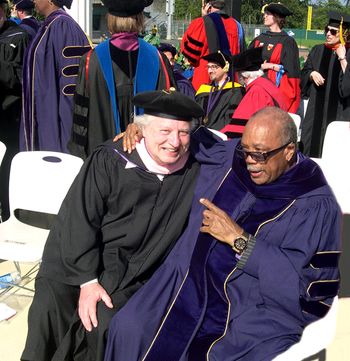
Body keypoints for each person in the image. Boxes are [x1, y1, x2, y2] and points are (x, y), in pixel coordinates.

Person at [104, 107, 341, 361]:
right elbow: (188, 141)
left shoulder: (315, 206)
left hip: (247, 308)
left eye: (259, 155)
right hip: (185, 282)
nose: (249, 161)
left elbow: (309, 292)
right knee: (128, 328)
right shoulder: (232, 158)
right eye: (246, 150)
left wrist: (241, 240)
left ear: (289, 151)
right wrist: (146, 129)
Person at [21, 89, 204, 361]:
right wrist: (87, 280)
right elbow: (79, 218)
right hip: (80, 257)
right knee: (49, 306)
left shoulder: (195, 169)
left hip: (140, 269)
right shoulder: (111, 160)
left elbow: (230, 143)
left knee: (102, 320)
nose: (174, 142)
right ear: (142, 130)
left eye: (183, 132)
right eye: (164, 131)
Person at [68, 0, 175, 160]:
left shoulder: (92, 61)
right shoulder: (158, 59)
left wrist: (81, 160)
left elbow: (81, 119)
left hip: (102, 164)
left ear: (110, 20)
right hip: (148, 163)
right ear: (140, 19)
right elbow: (170, 110)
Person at [19, 0, 92, 153]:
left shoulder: (64, 27)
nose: (33, 0)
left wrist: (67, 141)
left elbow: (71, 89)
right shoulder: (48, 25)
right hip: (43, 116)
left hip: (56, 130)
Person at [300, 11, 350, 157]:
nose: (328, 34)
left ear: (343, 33)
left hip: (340, 113)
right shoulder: (318, 50)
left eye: (333, 31)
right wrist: (311, 74)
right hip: (316, 112)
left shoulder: (348, 53)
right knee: (311, 152)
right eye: (326, 30)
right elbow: (304, 72)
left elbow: (347, 88)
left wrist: (342, 59)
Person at [0, 0, 29, 220]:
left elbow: (22, 79)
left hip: (9, 119)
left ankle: (9, 216)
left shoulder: (18, 37)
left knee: (7, 173)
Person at [221, 47, 289, 138]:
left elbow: (239, 128)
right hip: (278, 133)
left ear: (243, 76)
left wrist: (219, 136)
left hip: (268, 140)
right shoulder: (267, 83)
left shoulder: (256, 91)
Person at [180, 0, 244, 91]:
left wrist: (204, 18)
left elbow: (190, 55)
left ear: (208, 6)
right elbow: (241, 55)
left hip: (205, 82)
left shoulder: (201, 23)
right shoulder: (238, 26)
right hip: (230, 83)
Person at [249, 2, 300, 113]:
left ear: (277, 17)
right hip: (256, 88)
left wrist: (271, 66)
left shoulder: (287, 42)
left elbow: (292, 74)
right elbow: (247, 62)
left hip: (274, 91)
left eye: (268, 14)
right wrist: (260, 66)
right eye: (265, 13)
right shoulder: (259, 39)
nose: (264, 16)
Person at [195, 50, 244, 130]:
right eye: (208, 67)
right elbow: (196, 116)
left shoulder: (235, 91)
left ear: (225, 68)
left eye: (214, 67)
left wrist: (212, 132)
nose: (209, 71)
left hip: (220, 137)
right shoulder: (204, 90)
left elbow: (230, 119)